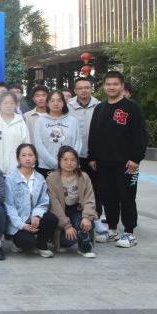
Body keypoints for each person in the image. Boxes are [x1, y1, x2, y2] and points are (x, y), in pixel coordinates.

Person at [88, 71, 147, 248]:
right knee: (108, 197)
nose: (111, 87)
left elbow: (140, 135)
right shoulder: (100, 108)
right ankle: (112, 229)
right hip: (104, 162)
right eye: (108, 84)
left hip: (127, 163)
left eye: (115, 84)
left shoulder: (132, 108)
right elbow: (93, 134)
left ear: (122, 86)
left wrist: (136, 158)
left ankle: (129, 232)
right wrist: (92, 156)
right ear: (104, 86)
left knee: (127, 197)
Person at [5, 144, 57, 257]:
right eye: (23, 155)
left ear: (35, 158)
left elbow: (43, 202)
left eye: (30, 155)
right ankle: (17, 242)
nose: (27, 158)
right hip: (19, 222)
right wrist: (22, 225)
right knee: (27, 243)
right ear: (18, 158)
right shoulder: (10, 179)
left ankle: (41, 245)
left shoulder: (40, 178)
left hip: (34, 220)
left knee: (51, 219)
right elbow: (9, 206)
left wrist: (36, 215)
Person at [47, 146, 97, 258]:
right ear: (59, 160)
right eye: (65, 159)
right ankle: (60, 241)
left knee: (84, 223)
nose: (69, 163)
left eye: (73, 160)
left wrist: (87, 217)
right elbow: (54, 205)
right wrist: (66, 225)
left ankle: (84, 248)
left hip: (77, 209)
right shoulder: (52, 178)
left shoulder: (84, 177)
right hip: (61, 212)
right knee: (67, 240)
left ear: (77, 161)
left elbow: (89, 199)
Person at [68, 77, 102, 222]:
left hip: (94, 155)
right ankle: (77, 218)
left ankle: (96, 217)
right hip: (73, 155)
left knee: (95, 187)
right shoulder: (68, 106)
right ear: (75, 90)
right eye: (80, 88)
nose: (84, 90)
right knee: (74, 187)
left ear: (91, 89)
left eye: (87, 87)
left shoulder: (100, 106)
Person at [34, 90, 81, 178]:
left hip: (70, 166)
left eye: (59, 100)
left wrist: (71, 160)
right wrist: (55, 164)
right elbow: (38, 144)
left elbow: (78, 142)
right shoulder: (40, 121)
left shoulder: (73, 121)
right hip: (47, 167)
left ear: (64, 103)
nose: (56, 103)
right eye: (52, 101)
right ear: (47, 103)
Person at [0, 92, 30, 174]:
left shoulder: (20, 122)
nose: (8, 106)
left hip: (17, 169)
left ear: (16, 104)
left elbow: (27, 144)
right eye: (5, 103)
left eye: (11, 103)